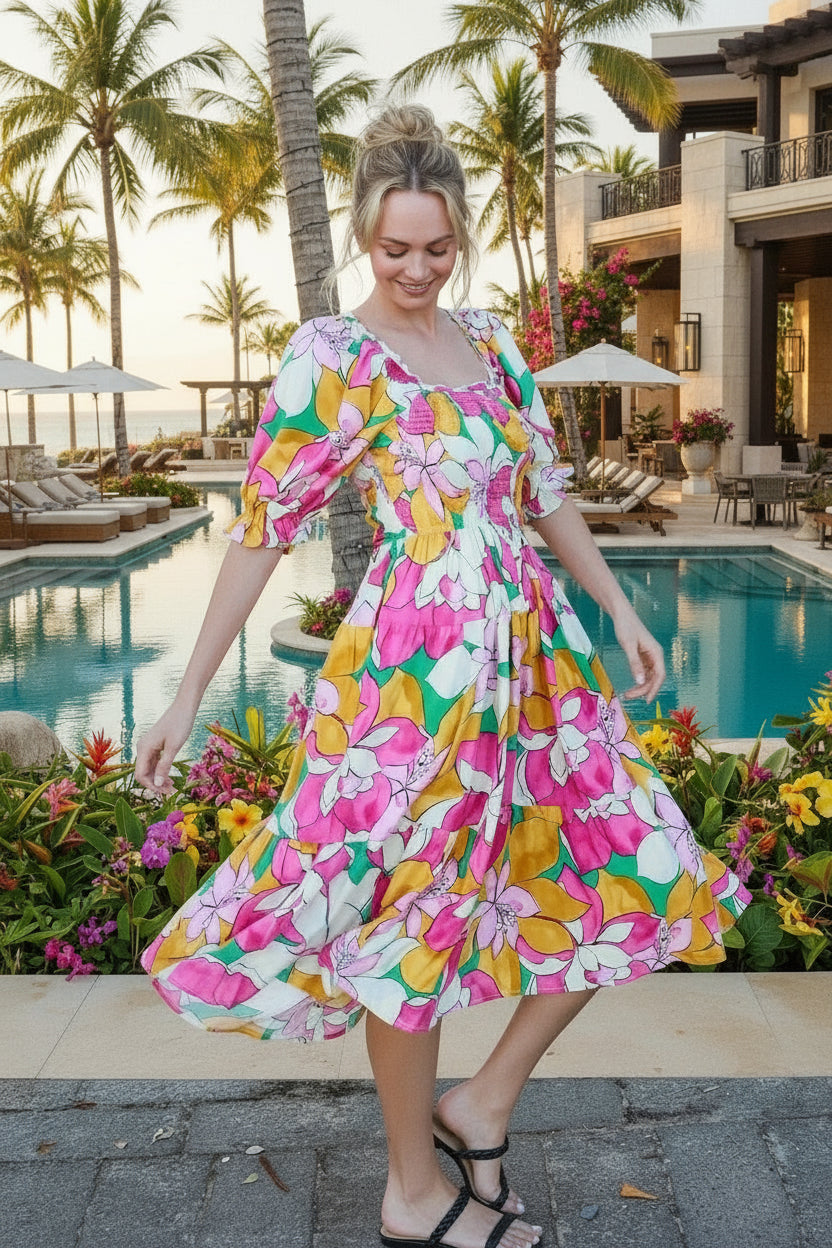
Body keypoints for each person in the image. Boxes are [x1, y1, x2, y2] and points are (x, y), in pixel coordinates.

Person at [136, 105, 750, 1248]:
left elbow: (546, 493)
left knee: (650, 872)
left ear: (459, 234)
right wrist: (184, 691)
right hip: (414, 685)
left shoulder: (495, 341)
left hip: (537, 671)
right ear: (364, 237)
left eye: (435, 248)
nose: (416, 271)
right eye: (393, 250)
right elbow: (264, 529)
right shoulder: (333, 356)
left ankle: (486, 1100)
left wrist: (618, 608)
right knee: (403, 927)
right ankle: (412, 1193)